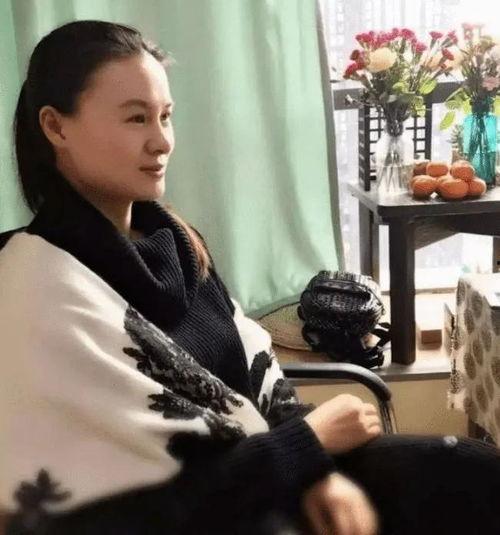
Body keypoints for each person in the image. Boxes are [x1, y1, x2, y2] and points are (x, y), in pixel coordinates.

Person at [0, 20, 499, 535]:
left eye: (166, 116)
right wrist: (307, 445)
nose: (162, 141)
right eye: (135, 119)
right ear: (56, 127)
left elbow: (254, 379)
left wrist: (316, 473)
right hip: (204, 515)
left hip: (264, 475)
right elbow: (128, 510)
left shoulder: (175, 242)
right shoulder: (35, 287)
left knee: (467, 472)